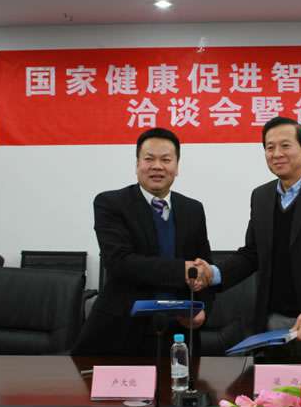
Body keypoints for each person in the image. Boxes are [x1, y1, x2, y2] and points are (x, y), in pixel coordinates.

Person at [194, 116, 301, 359]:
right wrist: (213, 273)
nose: (276, 154)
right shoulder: (261, 196)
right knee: (275, 383)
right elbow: (252, 253)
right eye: (269, 147)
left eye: (285, 145)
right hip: (275, 326)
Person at [72, 127, 213, 356]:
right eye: (149, 159)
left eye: (166, 159)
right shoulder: (111, 203)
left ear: (177, 166)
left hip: (178, 333)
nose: (157, 166)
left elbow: (204, 265)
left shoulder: (193, 209)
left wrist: (203, 310)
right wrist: (182, 270)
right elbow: (120, 262)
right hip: (122, 330)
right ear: (137, 164)